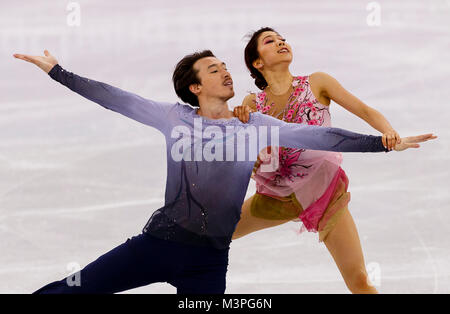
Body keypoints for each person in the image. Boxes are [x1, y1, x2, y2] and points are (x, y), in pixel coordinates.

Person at [12, 49, 435, 294]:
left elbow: (326, 139)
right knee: (72, 290)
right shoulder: (172, 117)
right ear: (195, 87)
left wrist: (382, 142)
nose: (225, 72)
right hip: (156, 245)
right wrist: (58, 72)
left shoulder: (254, 128)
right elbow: (113, 97)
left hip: (208, 263)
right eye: (214, 70)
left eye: (225, 67)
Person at [231, 27, 430, 293]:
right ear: (257, 62)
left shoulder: (317, 83)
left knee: (359, 280)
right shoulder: (253, 103)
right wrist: (247, 145)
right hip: (276, 197)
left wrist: (390, 134)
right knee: (211, 234)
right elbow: (251, 153)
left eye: (283, 39)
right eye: (270, 41)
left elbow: (363, 109)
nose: (281, 43)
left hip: (323, 195)